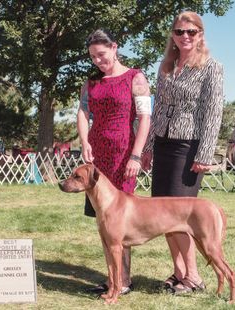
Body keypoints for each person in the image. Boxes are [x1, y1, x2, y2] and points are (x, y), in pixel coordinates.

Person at [143, 11, 223, 294]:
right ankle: (178, 273)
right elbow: (158, 111)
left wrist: (205, 154)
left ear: (200, 34)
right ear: (173, 36)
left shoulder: (212, 67)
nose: (185, 37)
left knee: (180, 216)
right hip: (163, 145)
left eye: (191, 32)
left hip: (189, 147)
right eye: (179, 32)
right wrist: (148, 148)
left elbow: (213, 113)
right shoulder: (166, 66)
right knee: (163, 215)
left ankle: (194, 277)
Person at [77, 29, 151, 295]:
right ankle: (113, 278)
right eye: (93, 57)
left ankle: (124, 281)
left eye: (102, 55)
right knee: (103, 218)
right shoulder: (91, 83)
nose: (97, 61)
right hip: (97, 158)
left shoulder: (136, 77)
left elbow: (145, 118)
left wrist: (136, 154)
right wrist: (84, 142)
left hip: (124, 156)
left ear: (115, 48)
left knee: (121, 220)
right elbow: (83, 113)